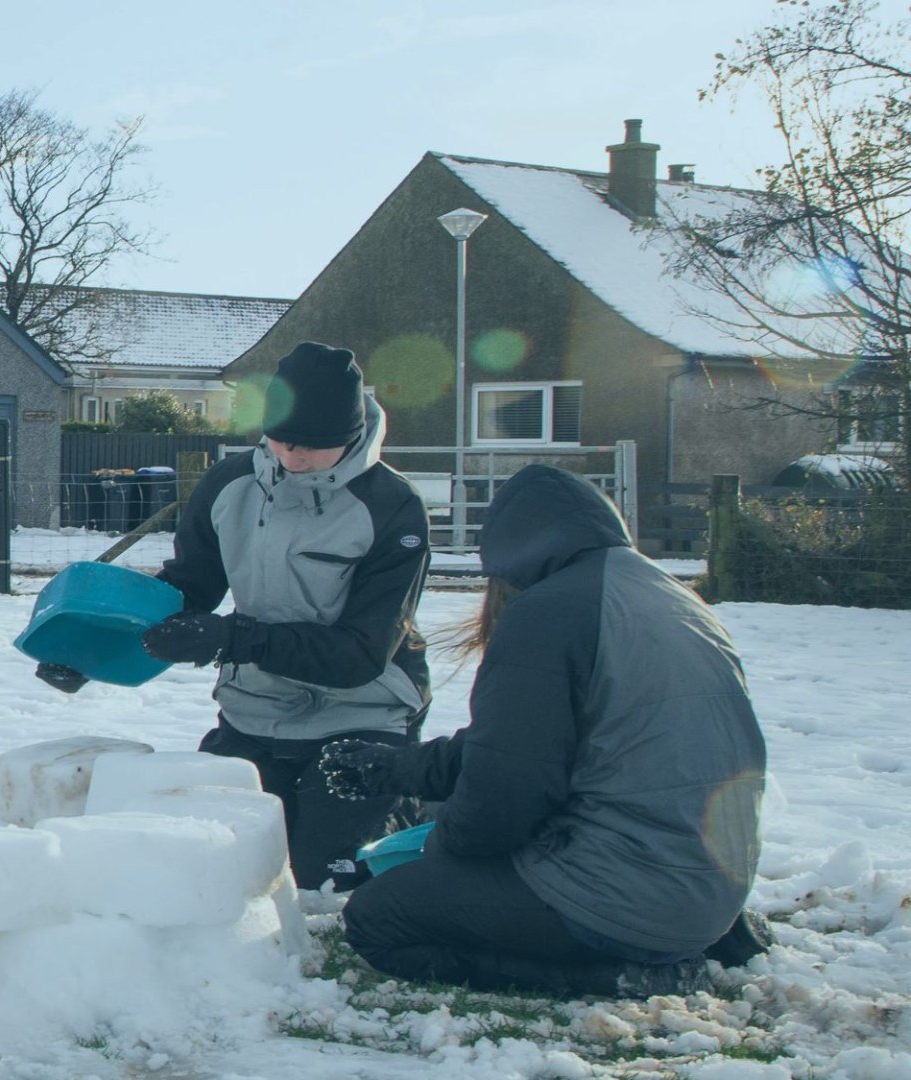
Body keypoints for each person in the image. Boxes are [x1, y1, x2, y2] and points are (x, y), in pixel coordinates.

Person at [323, 464, 768, 999]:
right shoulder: (667, 597)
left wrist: (440, 854)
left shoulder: (545, 615)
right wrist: (398, 769)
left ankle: (617, 976)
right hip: (712, 889)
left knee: (379, 915)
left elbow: (506, 794)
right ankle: (669, 946)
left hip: (625, 900)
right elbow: (522, 746)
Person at [39, 342, 432, 892]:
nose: (295, 457)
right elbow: (187, 592)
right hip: (256, 712)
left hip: (362, 714)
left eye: (316, 447)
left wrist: (233, 638)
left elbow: (360, 655)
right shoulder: (229, 485)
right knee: (222, 869)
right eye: (283, 440)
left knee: (325, 882)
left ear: (350, 438)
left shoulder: (393, 507)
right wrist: (90, 646)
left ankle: (416, 808)